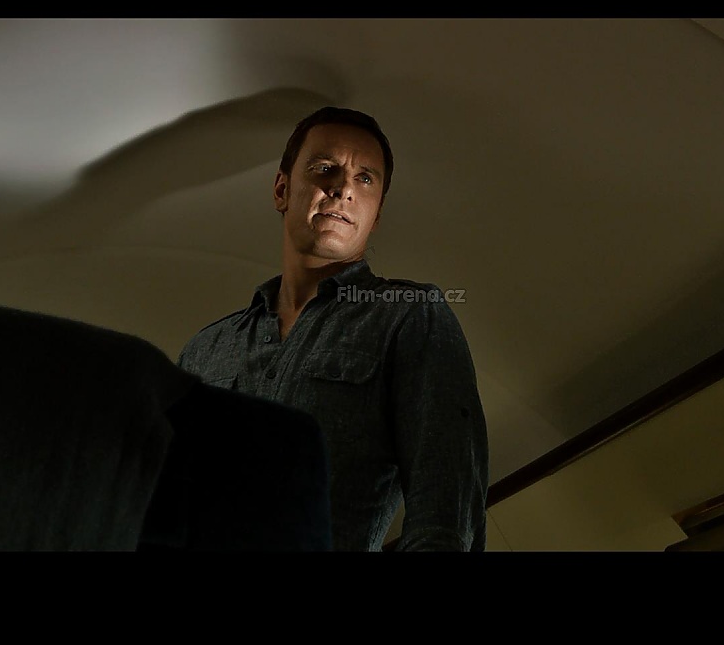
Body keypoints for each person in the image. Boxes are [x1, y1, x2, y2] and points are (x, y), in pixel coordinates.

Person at [176, 106, 489, 551]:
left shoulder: (409, 315)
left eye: (365, 179)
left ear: (376, 215)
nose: (343, 189)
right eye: (325, 169)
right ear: (282, 189)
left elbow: (445, 511)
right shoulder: (204, 350)